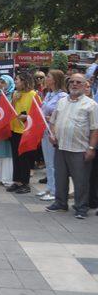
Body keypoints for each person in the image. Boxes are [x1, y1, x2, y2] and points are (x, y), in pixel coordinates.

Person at [46, 73, 98, 219]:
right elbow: (54, 121)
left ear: (84, 85)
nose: (74, 84)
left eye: (78, 82)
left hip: (80, 149)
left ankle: (81, 207)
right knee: (60, 177)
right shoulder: (62, 102)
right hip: (61, 147)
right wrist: (52, 135)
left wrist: (92, 148)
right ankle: (60, 203)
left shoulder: (91, 105)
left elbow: (95, 129)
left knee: (81, 180)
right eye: (72, 82)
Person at [37, 70, 67, 201]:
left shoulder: (62, 96)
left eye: (48, 76)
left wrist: (52, 117)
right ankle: (49, 187)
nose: (46, 78)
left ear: (55, 79)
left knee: (54, 163)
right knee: (48, 162)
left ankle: (55, 191)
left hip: (54, 132)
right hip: (45, 130)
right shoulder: (49, 94)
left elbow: (63, 114)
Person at [6, 72, 38, 194]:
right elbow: (11, 110)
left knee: (24, 158)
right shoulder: (15, 93)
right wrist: (13, 100)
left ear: (25, 81)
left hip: (26, 131)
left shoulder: (33, 95)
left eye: (17, 80)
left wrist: (27, 117)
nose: (15, 82)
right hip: (15, 129)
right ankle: (17, 181)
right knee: (16, 156)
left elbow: (37, 113)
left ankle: (25, 183)